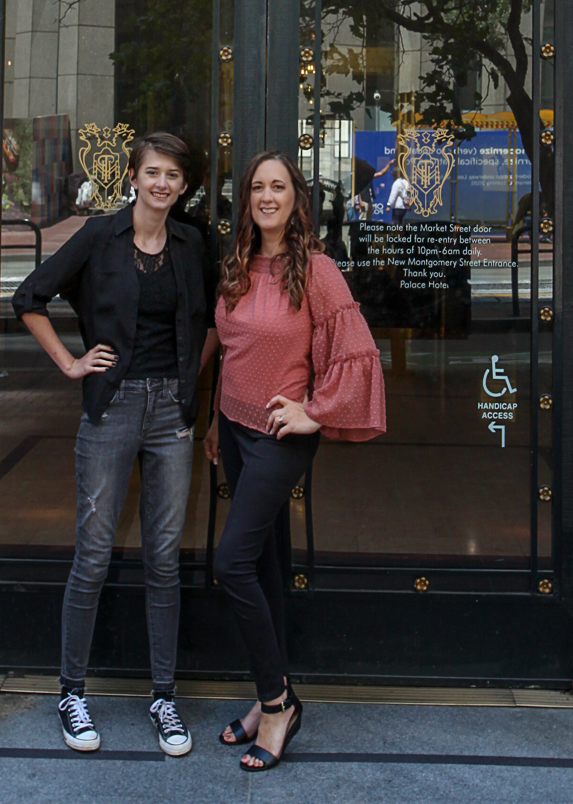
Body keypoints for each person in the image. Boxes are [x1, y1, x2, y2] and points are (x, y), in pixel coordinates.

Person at [11, 131, 216, 759]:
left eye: (173, 176)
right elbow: (29, 297)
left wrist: (191, 379)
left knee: (162, 557)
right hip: (114, 404)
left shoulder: (191, 243)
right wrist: (73, 365)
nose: (162, 184)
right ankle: (72, 691)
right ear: (133, 176)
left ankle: (163, 695)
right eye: (152, 172)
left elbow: (212, 319)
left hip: (171, 415)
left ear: (183, 186)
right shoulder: (101, 237)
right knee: (94, 553)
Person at [204, 151, 386, 772]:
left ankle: (278, 703)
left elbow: (356, 350)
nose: (267, 196)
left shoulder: (318, 271)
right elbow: (231, 350)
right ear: (247, 199)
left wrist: (316, 409)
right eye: (257, 187)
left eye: (278, 186)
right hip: (232, 426)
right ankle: (266, 694)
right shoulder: (236, 265)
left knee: (230, 562)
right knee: (264, 563)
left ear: (296, 197)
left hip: (281, 434)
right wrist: (212, 420)